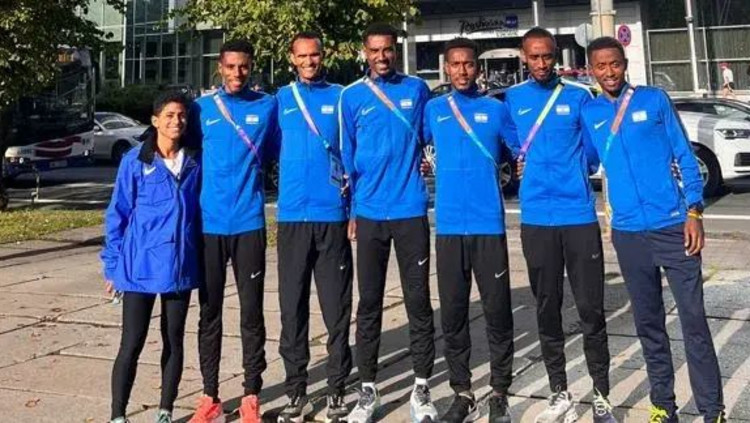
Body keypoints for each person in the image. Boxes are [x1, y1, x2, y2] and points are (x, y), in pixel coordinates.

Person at [582, 36, 726, 423]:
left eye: (614, 63)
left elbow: (684, 154)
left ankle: (712, 411)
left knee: (694, 322)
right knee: (649, 326)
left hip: (674, 227)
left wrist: (694, 211)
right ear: (591, 70)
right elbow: (583, 159)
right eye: (601, 66)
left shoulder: (653, 100)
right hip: (629, 235)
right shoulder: (590, 112)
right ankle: (663, 404)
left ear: (624, 64)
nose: (609, 72)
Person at [504, 27, 615, 423]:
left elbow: (592, 152)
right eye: (533, 56)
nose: (541, 63)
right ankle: (559, 390)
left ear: (557, 56)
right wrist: (521, 162)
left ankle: (601, 395)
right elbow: (510, 145)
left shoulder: (579, 96)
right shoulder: (512, 99)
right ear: (524, 57)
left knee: (591, 310)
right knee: (547, 308)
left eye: (547, 56)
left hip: (578, 217)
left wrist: (573, 170)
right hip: (536, 219)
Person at [339, 22, 437, 423]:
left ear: (396, 50)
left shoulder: (417, 89)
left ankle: (422, 386)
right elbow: (347, 159)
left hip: (410, 209)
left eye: (388, 49)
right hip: (369, 213)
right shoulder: (351, 96)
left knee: (418, 301)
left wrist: (429, 162)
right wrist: (351, 212)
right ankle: (368, 389)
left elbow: (430, 137)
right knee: (369, 304)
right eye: (375, 50)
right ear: (365, 52)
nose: (382, 56)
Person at [422, 37, 516, 423]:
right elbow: (414, 147)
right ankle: (462, 391)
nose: (462, 71)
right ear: (446, 68)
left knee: (497, 312)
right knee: (453, 314)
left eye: (469, 64)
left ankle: (500, 390)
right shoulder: (433, 110)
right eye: (455, 64)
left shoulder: (496, 110)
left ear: (478, 68)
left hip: (487, 225)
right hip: (447, 227)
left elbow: (521, 150)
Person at [188, 39, 279, 423]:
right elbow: (180, 150)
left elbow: (278, 151)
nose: (237, 73)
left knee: (251, 313)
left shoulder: (267, 106)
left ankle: (251, 394)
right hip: (209, 226)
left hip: (249, 224)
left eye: (243, 66)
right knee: (209, 313)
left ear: (251, 66)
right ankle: (209, 395)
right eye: (230, 67)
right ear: (219, 68)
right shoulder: (201, 109)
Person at [101, 91, 200, 423]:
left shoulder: (195, 160)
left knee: (173, 340)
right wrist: (112, 266)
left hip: (179, 268)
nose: (176, 121)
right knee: (132, 342)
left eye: (181, 115)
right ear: (155, 120)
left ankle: (165, 409)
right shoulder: (135, 160)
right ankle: (118, 414)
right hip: (138, 268)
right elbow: (117, 215)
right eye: (169, 115)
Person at [274, 31, 353, 423]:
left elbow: (352, 149)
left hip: (331, 216)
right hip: (291, 219)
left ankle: (337, 389)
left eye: (315, 55)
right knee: (292, 310)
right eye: (302, 56)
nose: (309, 62)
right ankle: (296, 391)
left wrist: (352, 208)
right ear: (292, 58)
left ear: (324, 56)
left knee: (336, 309)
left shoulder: (341, 97)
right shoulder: (280, 99)